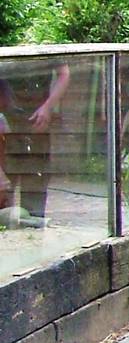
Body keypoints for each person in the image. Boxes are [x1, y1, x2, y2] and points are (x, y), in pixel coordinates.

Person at [0, 60, 70, 227]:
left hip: (36, 120)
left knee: (36, 173)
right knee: (5, 176)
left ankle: (32, 223)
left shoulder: (44, 41)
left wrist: (48, 107)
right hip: (7, 119)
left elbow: (64, 71)